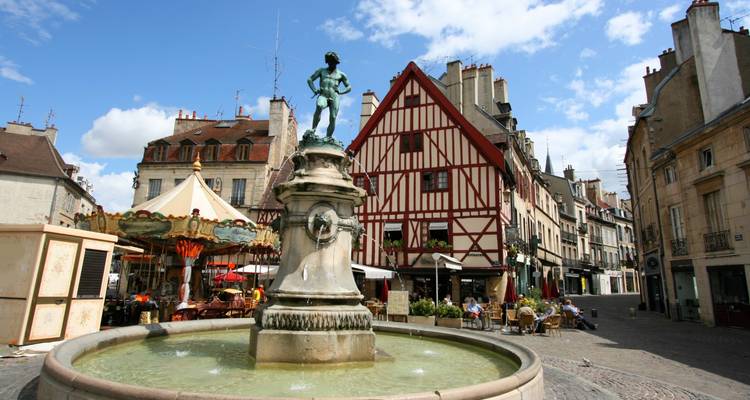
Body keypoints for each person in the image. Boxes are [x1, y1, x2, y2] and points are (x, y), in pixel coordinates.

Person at [307, 51, 351, 139]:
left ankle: (328, 137)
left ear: (336, 63)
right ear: (327, 62)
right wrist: (314, 90)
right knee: (319, 106)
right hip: (323, 95)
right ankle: (313, 129)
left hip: (334, 96)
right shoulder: (321, 71)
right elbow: (310, 80)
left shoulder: (341, 75)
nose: (331, 64)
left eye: (333, 62)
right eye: (329, 62)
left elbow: (349, 87)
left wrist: (340, 91)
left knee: (333, 117)